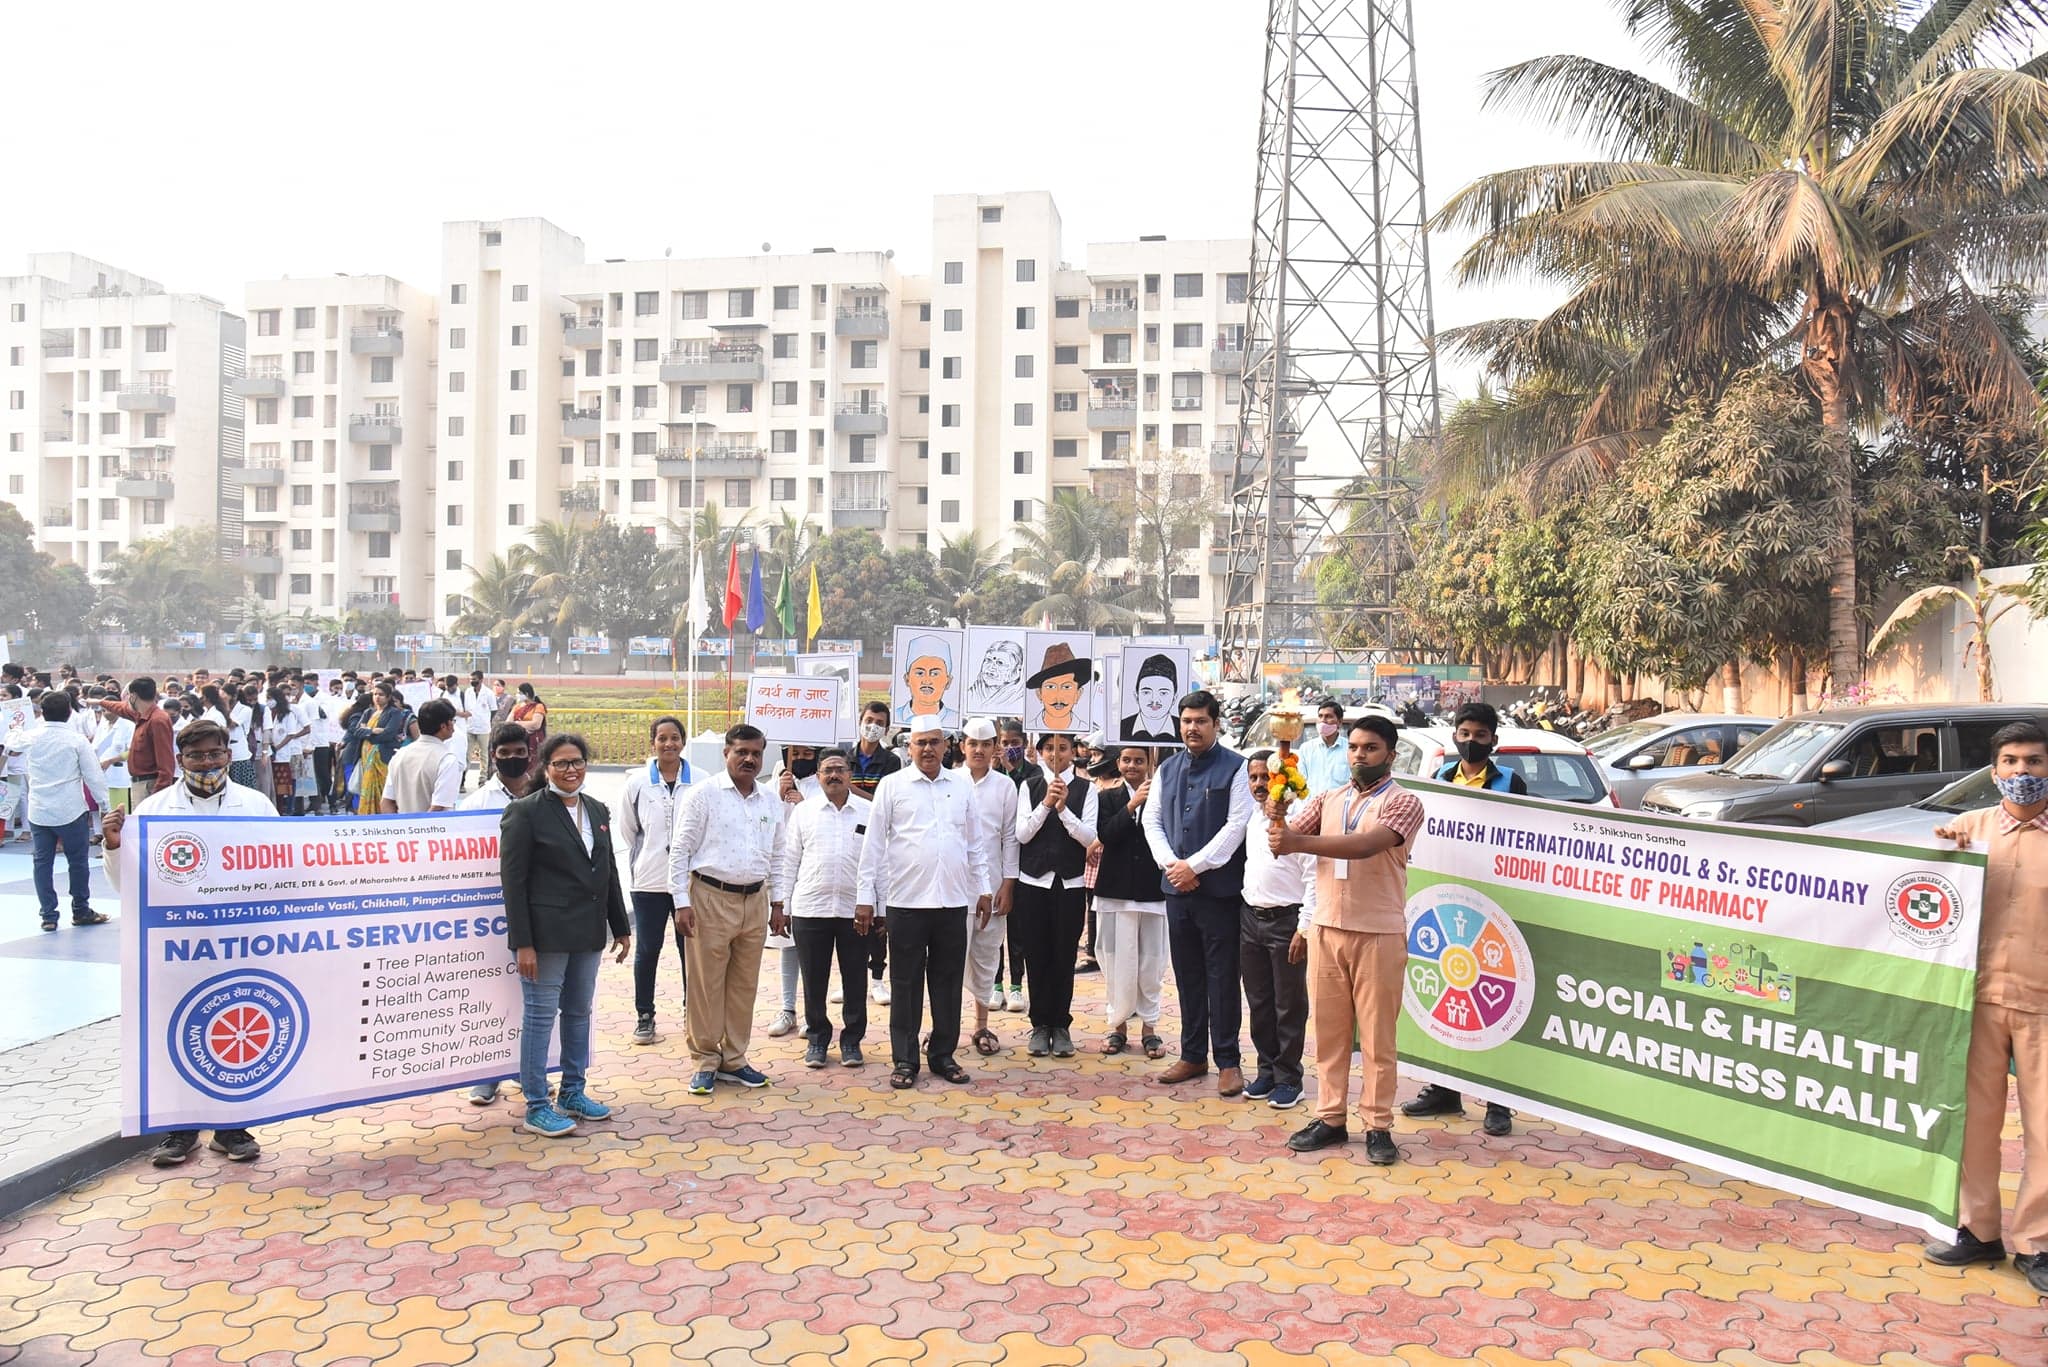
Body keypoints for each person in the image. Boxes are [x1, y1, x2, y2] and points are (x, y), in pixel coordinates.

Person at [102, 720, 273, 1165]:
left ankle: (231, 1129)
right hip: (178, 946)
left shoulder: (255, 807)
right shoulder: (155, 810)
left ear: (228, 756)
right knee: (176, 1032)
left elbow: (280, 874)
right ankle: (180, 1132)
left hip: (239, 942)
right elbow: (130, 884)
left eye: (215, 754)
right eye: (196, 756)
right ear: (181, 761)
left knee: (234, 1030)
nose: (207, 763)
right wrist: (115, 846)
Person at [1925, 721, 2048, 1293]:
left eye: (2034, 762)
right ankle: (1978, 1231)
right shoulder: (1967, 832)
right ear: (1994, 770)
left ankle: (2037, 1242)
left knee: (2045, 1130)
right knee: (1974, 1122)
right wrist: (1938, 851)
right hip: (1975, 1001)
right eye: (2011, 762)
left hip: (2043, 1004)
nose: (2022, 773)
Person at [1274, 716, 1426, 1165]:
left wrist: (1297, 840)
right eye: (1355, 747)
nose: (1359, 755)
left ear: (1391, 755)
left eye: (1371, 748)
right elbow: (1285, 835)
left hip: (1379, 931)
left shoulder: (1405, 803)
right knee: (1329, 1033)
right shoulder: (1328, 797)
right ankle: (1331, 1117)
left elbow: (1365, 845)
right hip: (1326, 928)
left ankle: (1378, 1125)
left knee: (1378, 1038)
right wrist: (1276, 812)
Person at [498, 734, 631, 1138]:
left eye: (577, 762)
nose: (570, 770)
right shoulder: (525, 813)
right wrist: (523, 942)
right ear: (545, 767)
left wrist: (621, 926)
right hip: (546, 936)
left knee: (578, 1013)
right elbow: (513, 883)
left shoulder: (597, 810)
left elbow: (606, 871)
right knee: (540, 1017)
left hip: (588, 933)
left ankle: (573, 1092)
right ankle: (537, 1104)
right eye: (560, 763)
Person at [1404, 700, 1527, 1137]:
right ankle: (1444, 1090)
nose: (1470, 742)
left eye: (1479, 735)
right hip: (1452, 903)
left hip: (1496, 908)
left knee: (1495, 1006)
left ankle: (1499, 1102)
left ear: (1494, 739)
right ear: (1454, 735)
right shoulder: (1439, 778)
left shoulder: (1511, 782)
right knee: (1451, 999)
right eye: (1464, 733)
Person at [857, 715, 992, 1090]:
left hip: (952, 901)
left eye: (935, 742)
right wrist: (866, 899)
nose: (928, 749)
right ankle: (905, 1058)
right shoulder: (892, 786)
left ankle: (943, 1055)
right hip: (906, 902)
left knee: (948, 983)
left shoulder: (961, 787)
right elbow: (874, 847)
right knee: (905, 983)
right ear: (909, 747)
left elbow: (974, 843)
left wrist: (982, 889)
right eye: (921, 743)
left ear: (947, 746)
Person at [1141, 690, 1254, 1096]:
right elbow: (1151, 820)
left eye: (1201, 721)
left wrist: (1196, 866)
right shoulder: (1167, 768)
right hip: (1176, 889)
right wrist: (1172, 866)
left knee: (1222, 976)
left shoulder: (1237, 768)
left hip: (1219, 891)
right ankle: (1192, 1055)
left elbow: (1237, 824)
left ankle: (1228, 1061)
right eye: (1186, 721)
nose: (1192, 728)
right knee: (1187, 974)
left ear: (1216, 724)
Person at [668, 723, 785, 1096]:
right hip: (709, 898)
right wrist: (680, 903)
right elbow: (680, 851)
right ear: (726, 754)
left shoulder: (769, 800)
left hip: (755, 900)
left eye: (756, 753)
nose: (749, 759)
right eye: (741, 752)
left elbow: (779, 855)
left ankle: (734, 1059)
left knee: (743, 985)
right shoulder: (703, 795)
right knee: (706, 984)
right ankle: (705, 1059)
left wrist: (778, 902)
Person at [777, 748, 874, 1068]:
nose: (834, 775)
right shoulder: (804, 812)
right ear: (817, 777)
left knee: (855, 979)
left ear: (849, 774)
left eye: (840, 769)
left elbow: (878, 864)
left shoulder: (867, 811)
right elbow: (789, 860)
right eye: (828, 770)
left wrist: (876, 906)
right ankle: (818, 1039)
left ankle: (852, 1041)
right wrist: (784, 905)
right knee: (814, 980)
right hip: (810, 908)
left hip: (855, 911)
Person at [459, 723, 537, 1107]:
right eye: (503, 753)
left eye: (517, 751)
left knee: (532, 998)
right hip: (488, 913)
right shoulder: (474, 804)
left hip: (537, 912)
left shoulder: (547, 796)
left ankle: (529, 1073)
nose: (511, 759)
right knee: (490, 996)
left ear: (530, 752)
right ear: (492, 756)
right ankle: (486, 1076)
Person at [1013, 730, 1099, 1059]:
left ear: (1071, 751)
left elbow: (1089, 836)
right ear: (1040, 750)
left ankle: (1060, 1025)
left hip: (1070, 883)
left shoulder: (1086, 789)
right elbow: (1022, 834)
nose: (1056, 754)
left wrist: (1064, 810)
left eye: (1062, 748)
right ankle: (1039, 1024)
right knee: (1036, 954)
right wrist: (1045, 804)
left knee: (1063, 955)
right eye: (1050, 747)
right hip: (1033, 882)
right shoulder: (1029, 786)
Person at [1240, 750, 1317, 1111]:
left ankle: (1290, 1078)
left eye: (1264, 778)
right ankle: (1267, 1070)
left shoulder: (1300, 819)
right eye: (1253, 778)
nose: (1258, 785)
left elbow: (1314, 876)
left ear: (1280, 780)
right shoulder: (1251, 818)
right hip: (1250, 919)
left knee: (1289, 1004)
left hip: (1287, 922)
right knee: (1259, 1001)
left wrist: (1304, 928)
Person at [6, 692, 112, 931]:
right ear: (69, 713)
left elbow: (12, 741)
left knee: (42, 862)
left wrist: (14, 727)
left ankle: (49, 916)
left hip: (39, 810)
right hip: (71, 809)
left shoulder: (31, 736)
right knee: (78, 862)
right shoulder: (77, 741)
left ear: (42, 712)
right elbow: (93, 776)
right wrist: (105, 805)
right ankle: (81, 910)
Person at [618, 717, 694, 1046]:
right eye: (662, 738)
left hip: (689, 884)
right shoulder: (636, 783)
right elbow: (628, 829)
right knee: (648, 949)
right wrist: (649, 853)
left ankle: (694, 1011)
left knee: (690, 950)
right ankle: (644, 1015)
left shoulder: (701, 781)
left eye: (674, 737)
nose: (668, 744)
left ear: (683, 741)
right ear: (653, 743)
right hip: (648, 880)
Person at [1095, 744, 1167, 1059]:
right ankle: (1118, 1026)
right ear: (1118, 763)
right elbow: (1106, 835)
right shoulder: (1108, 797)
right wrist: (1131, 805)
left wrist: (1148, 802)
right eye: (1126, 760)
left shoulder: (1163, 796)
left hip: (1153, 892)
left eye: (1139, 760)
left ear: (1150, 762)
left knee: (1151, 962)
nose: (1132, 766)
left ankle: (1150, 1028)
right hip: (1115, 891)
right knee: (1115, 961)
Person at [959, 718, 1020, 1058]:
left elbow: (1010, 840)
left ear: (996, 747)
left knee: (985, 957)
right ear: (962, 746)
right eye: (972, 743)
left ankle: (981, 1025)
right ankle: (944, 1026)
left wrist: (1008, 884)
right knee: (948, 959)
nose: (978, 750)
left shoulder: (1005, 787)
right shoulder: (949, 781)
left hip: (993, 887)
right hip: (953, 888)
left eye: (985, 744)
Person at [844, 699, 899, 1008]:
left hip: (879, 842)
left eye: (880, 722)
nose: (873, 725)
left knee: (879, 914)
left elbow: (885, 801)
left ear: (886, 728)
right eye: (869, 719)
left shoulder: (891, 762)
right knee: (850, 914)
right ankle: (850, 979)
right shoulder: (844, 758)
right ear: (860, 721)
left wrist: (852, 791)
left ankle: (878, 979)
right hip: (849, 842)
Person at [380, 698, 464, 813]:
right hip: (435, 829)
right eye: (452, 721)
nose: (453, 726)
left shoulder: (400, 755)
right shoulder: (446, 760)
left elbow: (386, 802)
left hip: (403, 828)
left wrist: (399, 829)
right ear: (444, 726)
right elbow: (438, 808)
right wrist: (421, 829)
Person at [100, 677, 175, 803]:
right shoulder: (141, 715)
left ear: (133, 696)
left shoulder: (157, 720)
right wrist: (99, 702)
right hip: (141, 784)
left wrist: (158, 796)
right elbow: (121, 708)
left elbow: (166, 762)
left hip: (150, 786)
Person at [343, 681, 411, 814]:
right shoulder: (369, 712)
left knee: (385, 788)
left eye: (381, 694)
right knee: (367, 786)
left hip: (383, 756)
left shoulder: (394, 713)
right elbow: (356, 731)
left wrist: (367, 732)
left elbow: (388, 734)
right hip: (366, 756)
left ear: (388, 697)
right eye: (375, 694)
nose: (377, 697)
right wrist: (372, 731)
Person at [893, 634, 962, 728]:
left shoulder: (956, 720)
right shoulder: (895, 717)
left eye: (935, 674)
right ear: (907, 679)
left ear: (948, 682)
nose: (927, 681)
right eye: (920, 673)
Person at [1026, 643, 1092, 734]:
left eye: (1066, 687)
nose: (1058, 697)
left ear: (1078, 694)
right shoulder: (1032, 728)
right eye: (1050, 687)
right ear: (1039, 693)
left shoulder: (1084, 730)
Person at [1119, 654, 1181, 745]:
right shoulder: (1121, 727)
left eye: (1163, 693)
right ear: (1136, 696)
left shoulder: (1184, 729)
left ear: (1174, 698)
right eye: (1146, 692)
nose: (1154, 700)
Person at [1298, 700, 1351, 796]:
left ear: (1339, 722)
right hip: (1311, 807)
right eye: (1320, 716)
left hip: (1339, 807)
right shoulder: (1306, 749)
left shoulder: (1350, 749)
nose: (1323, 720)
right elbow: (1300, 782)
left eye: (1328, 716)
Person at [455, 670, 494, 789]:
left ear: (481, 680)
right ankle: (462, 781)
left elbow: (494, 709)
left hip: (483, 728)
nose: (472, 682)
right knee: (466, 755)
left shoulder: (488, 693)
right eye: (471, 679)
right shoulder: (468, 691)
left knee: (484, 756)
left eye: (474, 679)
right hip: (470, 727)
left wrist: (486, 720)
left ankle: (482, 780)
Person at [968, 639, 1026, 714]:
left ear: (1017, 671)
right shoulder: (970, 695)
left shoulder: (1020, 701)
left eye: (1000, 663)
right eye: (988, 660)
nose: (991, 667)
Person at [510, 684, 548, 777]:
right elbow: (509, 723)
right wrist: (524, 725)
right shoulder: (517, 707)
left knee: (534, 764)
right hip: (519, 739)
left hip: (534, 741)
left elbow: (536, 724)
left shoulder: (538, 706)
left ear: (526, 693)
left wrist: (518, 724)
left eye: (519, 693)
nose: (517, 695)